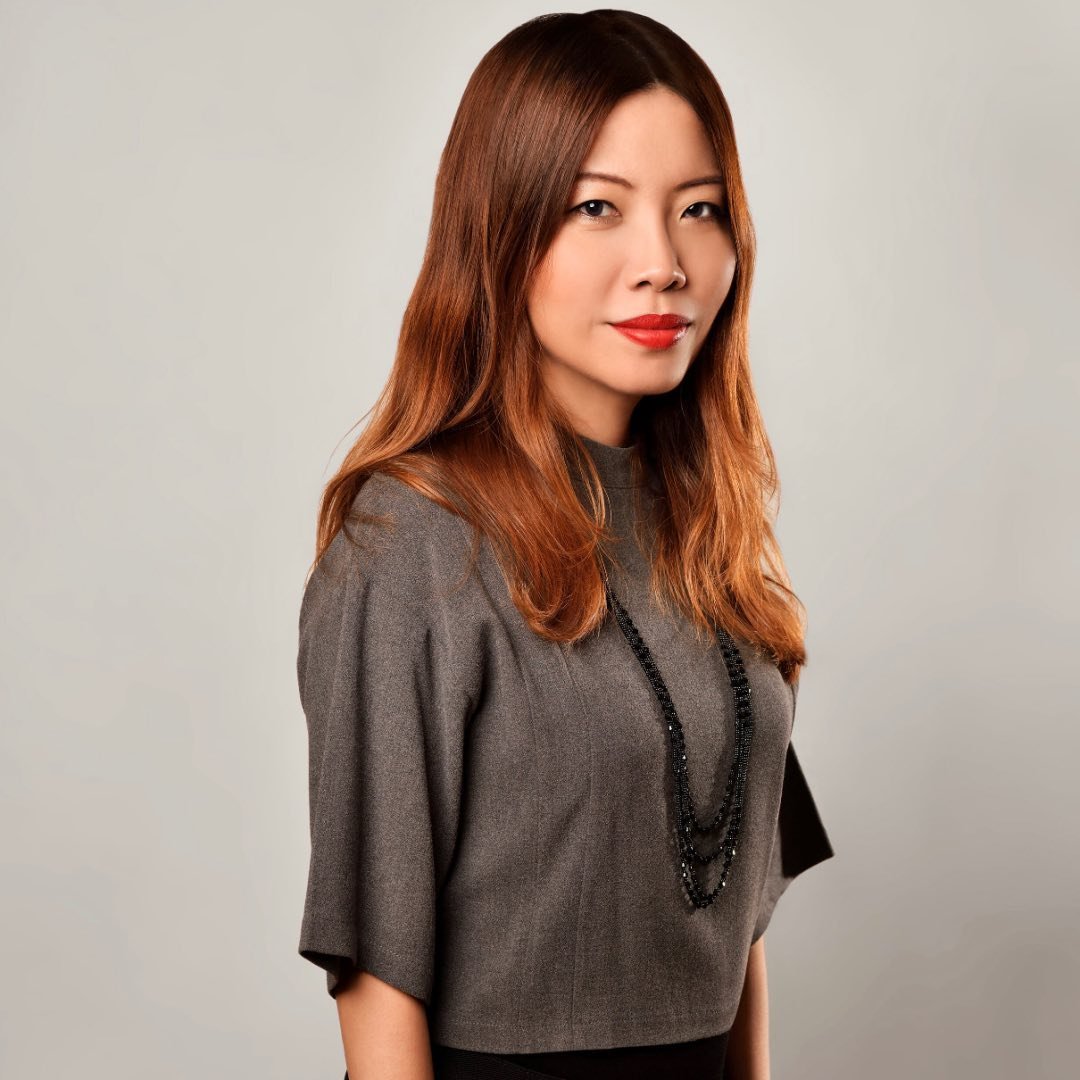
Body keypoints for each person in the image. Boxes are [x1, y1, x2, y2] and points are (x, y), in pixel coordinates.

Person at [296, 10, 835, 1079]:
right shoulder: (410, 540)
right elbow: (377, 975)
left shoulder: (705, 523)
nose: (664, 264)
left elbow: (735, 925)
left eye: (700, 211)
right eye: (599, 207)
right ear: (501, 229)